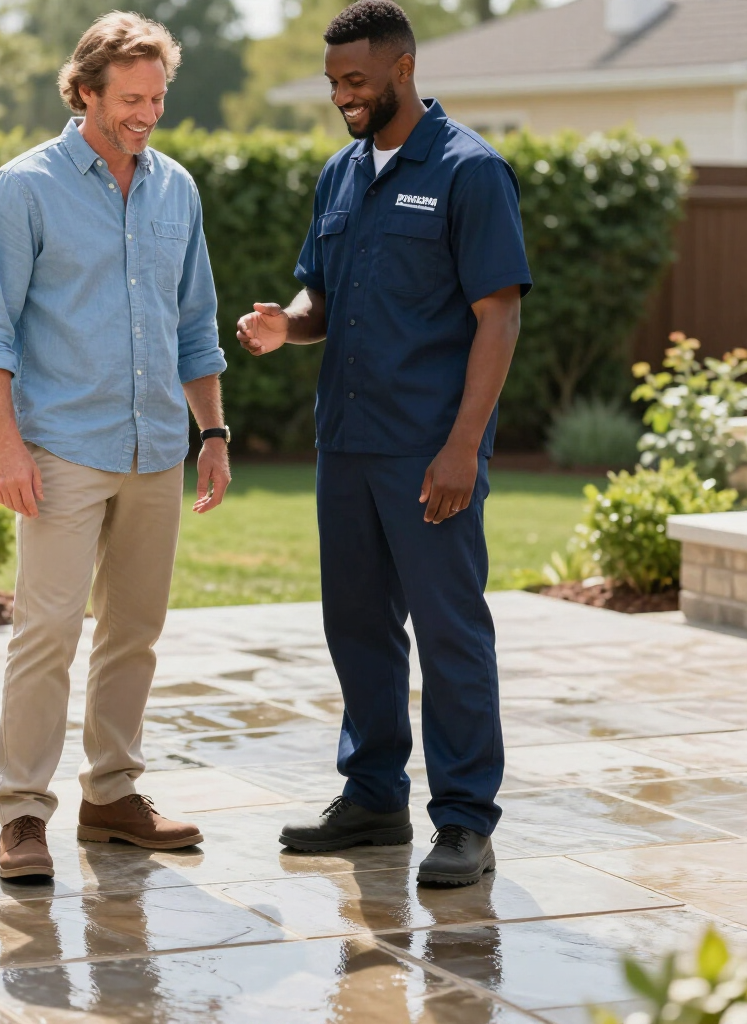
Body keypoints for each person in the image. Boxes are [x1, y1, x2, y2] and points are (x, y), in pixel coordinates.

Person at [237, 0, 531, 887]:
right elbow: (319, 301)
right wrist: (284, 326)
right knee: (357, 626)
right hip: (349, 443)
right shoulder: (340, 174)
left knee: (449, 632)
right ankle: (371, 798)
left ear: (403, 69)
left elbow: (499, 315)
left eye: (355, 81)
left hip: (427, 450)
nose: (342, 97)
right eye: (332, 84)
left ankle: (466, 820)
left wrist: (461, 447)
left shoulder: (470, 172)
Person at [0, 11, 231, 880]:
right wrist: (8, 447)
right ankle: (22, 814)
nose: (145, 114)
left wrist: (214, 432)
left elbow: (195, 325)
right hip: (63, 448)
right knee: (46, 631)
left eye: (156, 98)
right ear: (83, 92)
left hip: (157, 447)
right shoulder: (24, 187)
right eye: (129, 99)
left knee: (135, 632)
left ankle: (112, 795)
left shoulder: (175, 190)